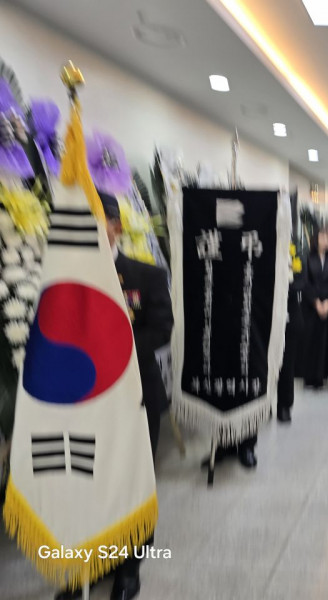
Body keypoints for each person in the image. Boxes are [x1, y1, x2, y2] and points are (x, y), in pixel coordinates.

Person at [59, 193, 173, 600]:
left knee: (131, 481)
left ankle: (128, 567)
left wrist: (111, 350)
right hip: (83, 399)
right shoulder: (68, 279)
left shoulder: (146, 275)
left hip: (134, 395)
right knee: (87, 481)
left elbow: (161, 329)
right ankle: (90, 563)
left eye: (98, 220)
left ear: (116, 227)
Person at [302, 227, 328, 389]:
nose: (326, 241)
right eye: (322, 238)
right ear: (316, 240)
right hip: (311, 307)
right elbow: (306, 282)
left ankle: (321, 376)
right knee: (310, 340)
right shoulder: (308, 258)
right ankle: (309, 377)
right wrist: (316, 302)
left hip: (327, 307)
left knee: (324, 342)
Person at [277, 241, 306, 424]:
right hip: (267, 314)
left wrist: (284, 281)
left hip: (290, 314)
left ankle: (284, 405)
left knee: (287, 364)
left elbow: (301, 282)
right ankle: (263, 405)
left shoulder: (296, 254)